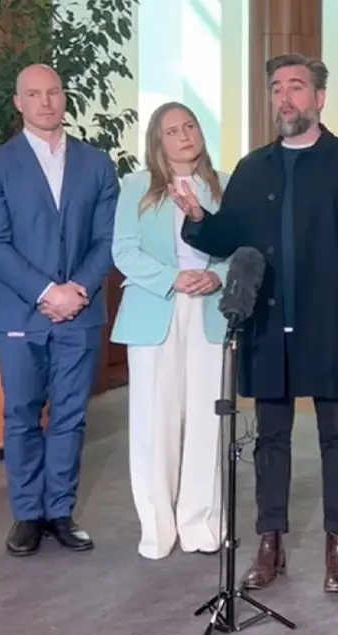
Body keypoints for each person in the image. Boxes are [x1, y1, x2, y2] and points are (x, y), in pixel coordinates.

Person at [167, 52, 338, 594]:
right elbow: (227, 237)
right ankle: (269, 542)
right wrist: (199, 219)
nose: (286, 98)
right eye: (277, 88)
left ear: (319, 98)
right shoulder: (253, 168)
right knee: (270, 438)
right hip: (267, 324)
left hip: (330, 322)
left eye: (297, 87)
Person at [0, 63, 118, 557]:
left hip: (81, 309)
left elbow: (107, 239)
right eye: (34, 94)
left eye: (53, 92)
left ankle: (60, 511)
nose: (46, 101)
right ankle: (27, 515)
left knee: (72, 417)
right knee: (21, 415)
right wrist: (46, 293)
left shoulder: (97, 165)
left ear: (63, 97)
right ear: (19, 103)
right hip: (19, 312)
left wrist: (75, 288)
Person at [110, 102, 230, 560]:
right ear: (157, 143)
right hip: (155, 308)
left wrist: (216, 276)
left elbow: (242, 247)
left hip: (209, 308)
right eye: (172, 131)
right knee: (154, 424)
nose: (184, 136)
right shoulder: (137, 187)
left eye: (190, 126)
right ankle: (157, 529)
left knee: (207, 420)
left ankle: (201, 523)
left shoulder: (223, 186)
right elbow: (124, 250)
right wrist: (170, 278)